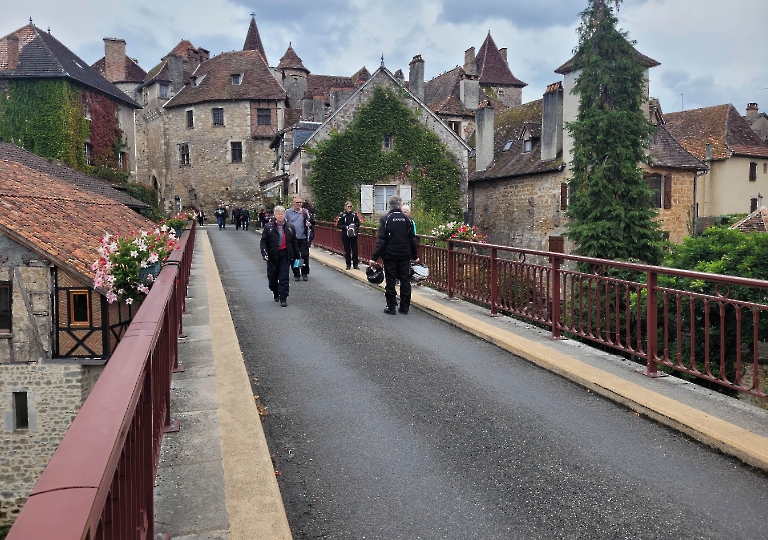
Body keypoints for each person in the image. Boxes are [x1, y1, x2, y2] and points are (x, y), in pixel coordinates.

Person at [369, 195, 419, 315]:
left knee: (390, 281)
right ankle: (404, 307)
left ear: (389, 205)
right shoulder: (407, 219)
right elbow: (412, 239)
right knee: (405, 280)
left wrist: (374, 258)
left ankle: (391, 307)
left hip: (390, 255)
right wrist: (414, 256)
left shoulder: (386, 219)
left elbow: (381, 240)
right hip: (404, 255)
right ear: (400, 205)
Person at [260, 206, 299, 307]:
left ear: (284, 215)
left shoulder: (290, 227)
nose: (280, 215)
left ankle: (283, 297)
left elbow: (294, 242)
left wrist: (297, 256)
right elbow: (264, 242)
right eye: (278, 213)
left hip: (285, 254)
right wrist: (265, 254)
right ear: (275, 215)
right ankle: (275, 291)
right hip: (273, 255)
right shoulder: (269, 227)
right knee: (272, 278)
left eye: (282, 213)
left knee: (284, 277)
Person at [285, 196, 314, 281]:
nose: (299, 204)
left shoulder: (305, 212)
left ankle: (304, 273)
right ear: (293, 203)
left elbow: (312, 222)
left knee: (304, 255)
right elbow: (285, 223)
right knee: (295, 257)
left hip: (303, 238)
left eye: (300, 203)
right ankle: (296, 273)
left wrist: (310, 225)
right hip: (293, 239)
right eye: (297, 203)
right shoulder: (288, 212)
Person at [337, 201, 361, 270]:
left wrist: (353, 225)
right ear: (345, 207)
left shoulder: (354, 215)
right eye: (348, 207)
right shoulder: (342, 215)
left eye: (351, 206)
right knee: (347, 249)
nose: (349, 208)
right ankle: (348, 264)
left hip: (353, 234)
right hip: (345, 234)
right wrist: (346, 227)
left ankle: (355, 264)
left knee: (355, 249)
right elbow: (339, 225)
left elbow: (358, 223)